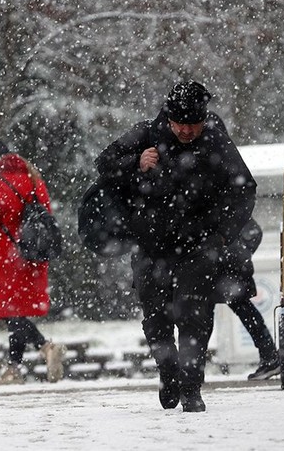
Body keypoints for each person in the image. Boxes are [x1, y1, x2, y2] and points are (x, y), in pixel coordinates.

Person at [95, 80, 256, 412]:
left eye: (192, 123)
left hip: (198, 246)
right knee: (156, 318)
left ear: (203, 117)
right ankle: (168, 371)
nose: (185, 129)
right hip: (150, 246)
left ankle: (191, 386)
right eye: (178, 122)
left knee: (193, 315)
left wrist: (222, 235)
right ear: (167, 117)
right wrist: (135, 163)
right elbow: (104, 165)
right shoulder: (145, 135)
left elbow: (243, 190)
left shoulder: (215, 140)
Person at [0, 141, 66, 384]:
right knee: (17, 313)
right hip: (32, 253)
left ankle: (41, 349)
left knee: (12, 313)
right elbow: (45, 212)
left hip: (4, 256)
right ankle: (16, 367)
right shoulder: (33, 178)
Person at [222, 218, 280, 380]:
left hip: (229, 267)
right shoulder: (228, 204)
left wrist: (236, 252)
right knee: (243, 309)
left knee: (243, 308)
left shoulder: (230, 205)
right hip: (225, 266)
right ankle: (270, 357)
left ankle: (270, 357)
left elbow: (254, 232)